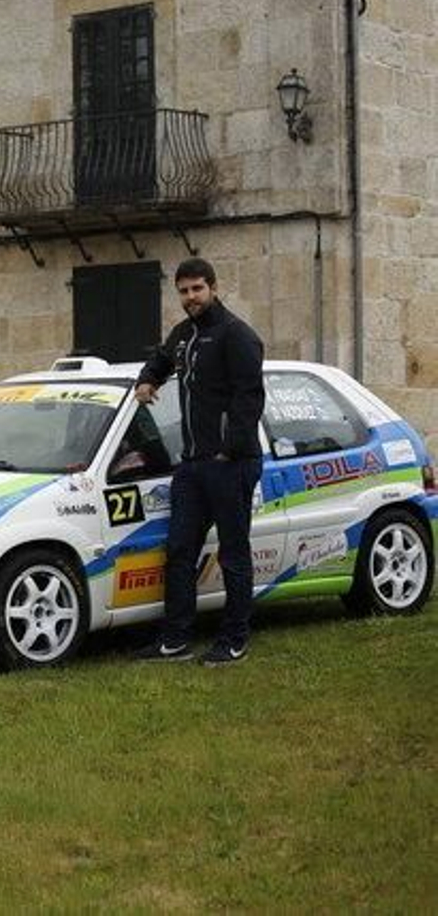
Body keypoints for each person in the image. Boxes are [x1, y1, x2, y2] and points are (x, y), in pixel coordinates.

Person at [133, 258, 265, 667]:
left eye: (197, 289)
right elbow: (161, 358)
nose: (191, 298)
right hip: (191, 467)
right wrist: (147, 379)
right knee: (180, 550)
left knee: (233, 553)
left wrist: (231, 448)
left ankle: (234, 639)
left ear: (213, 287)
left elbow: (250, 399)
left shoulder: (237, 335)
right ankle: (175, 640)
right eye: (184, 291)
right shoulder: (184, 334)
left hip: (230, 464)